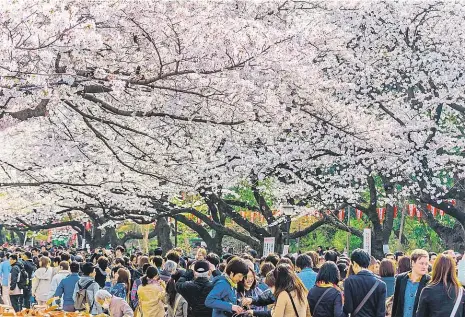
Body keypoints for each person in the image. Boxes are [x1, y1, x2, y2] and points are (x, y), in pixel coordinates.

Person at [343, 248, 386, 317]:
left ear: (355, 263)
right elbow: (381, 312)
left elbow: (349, 308)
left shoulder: (349, 281)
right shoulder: (381, 284)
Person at [391, 249, 430, 317]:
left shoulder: (429, 281)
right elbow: (396, 304)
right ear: (413, 263)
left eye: (426, 264)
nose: (424, 266)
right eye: (421, 263)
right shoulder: (400, 279)